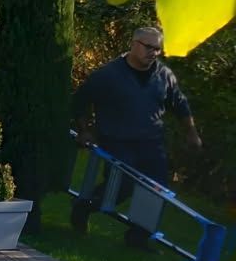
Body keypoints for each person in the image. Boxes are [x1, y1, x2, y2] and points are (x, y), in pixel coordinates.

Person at [72, 26, 202, 185]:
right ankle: (85, 206)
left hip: (152, 144)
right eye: (148, 47)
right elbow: (80, 101)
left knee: (157, 190)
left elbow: (180, 104)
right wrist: (84, 130)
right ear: (133, 44)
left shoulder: (164, 75)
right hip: (117, 142)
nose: (153, 52)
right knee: (121, 185)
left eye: (157, 49)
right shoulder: (108, 74)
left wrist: (191, 133)